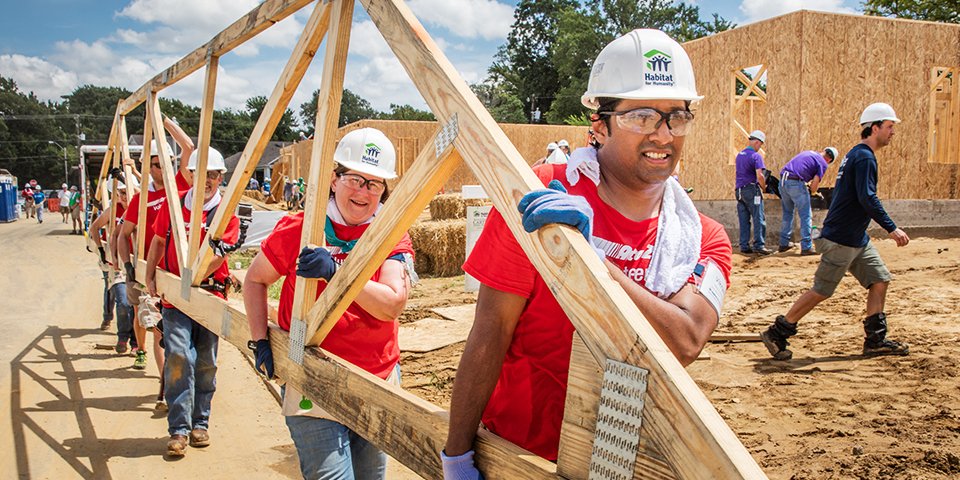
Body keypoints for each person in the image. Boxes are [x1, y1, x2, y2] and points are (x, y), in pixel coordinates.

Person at [442, 29, 732, 477]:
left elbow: (687, 340)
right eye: (641, 116)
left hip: (628, 456)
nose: (663, 135)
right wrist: (457, 454)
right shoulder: (542, 193)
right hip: (523, 451)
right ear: (599, 126)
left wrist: (592, 261)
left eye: (677, 116)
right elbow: (492, 327)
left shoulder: (700, 237)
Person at [244, 128, 415, 480]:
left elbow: (392, 304)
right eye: (355, 179)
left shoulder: (389, 232)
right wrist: (261, 339)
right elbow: (255, 279)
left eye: (375, 183)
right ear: (334, 180)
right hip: (311, 376)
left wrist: (335, 271)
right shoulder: (301, 228)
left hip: (376, 376)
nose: (364, 192)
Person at [760, 103, 911, 361]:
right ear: (874, 128)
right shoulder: (863, 157)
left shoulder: (856, 154)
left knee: (879, 279)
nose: (892, 132)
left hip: (857, 239)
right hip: (841, 239)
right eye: (889, 127)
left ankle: (875, 340)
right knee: (822, 290)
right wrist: (891, 228)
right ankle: (777, 332)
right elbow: (867, 197)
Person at [145, 147, 239, 457]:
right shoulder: (174, 206)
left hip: (209, 296)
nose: (208, 181)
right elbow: (159, 240)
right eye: (202, 174)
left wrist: (193, 281)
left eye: (213, 175)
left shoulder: (225, 212)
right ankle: (179, 430)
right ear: (191, 175)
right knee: (178, 356)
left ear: (220, 177)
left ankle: (201, 423)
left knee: (205, 361)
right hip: (175, 298)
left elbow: (217, 258)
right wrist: (150, 277)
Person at [116, 138, 192, 374]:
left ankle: (171, 381)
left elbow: (188, 147)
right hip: (147, 268)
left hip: (174, 269)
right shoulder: (140, 199)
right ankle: (146, 356)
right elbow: (122, 234)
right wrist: (127, 264)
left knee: (170, 327)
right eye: (157, 165)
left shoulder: (179, 187)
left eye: (167, 163)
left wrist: (165, 118)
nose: (163, 169)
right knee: (145, 317)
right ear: (149, 168)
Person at [88, 179, 136, 351]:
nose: (124, 197)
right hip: (116, 264)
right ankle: (121, 334)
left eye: (126, 192)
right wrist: (101, 250)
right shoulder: (112, 211)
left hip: (134, 263)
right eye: (120, 193)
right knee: (120, 300)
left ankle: (136, 343)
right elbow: (94, 228)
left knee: (135, 305)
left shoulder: (137, 207)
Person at [778, 147, 838, 255]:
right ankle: (806, 246)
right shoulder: (823, 163)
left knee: (788, 213)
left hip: (783, 182)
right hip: (796, 183)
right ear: (830, 160)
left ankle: (784, 243)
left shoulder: (809, 153)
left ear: (824, 151)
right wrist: (813, 192)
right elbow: (814, 185)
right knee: (806, 215)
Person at [734, 130, 771, 255]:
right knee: (758, 217)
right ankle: (759, 245)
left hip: (739, 191)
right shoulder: (756, 156)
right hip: (751, 190)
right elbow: (760, 175)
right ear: (756, 142)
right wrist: (764, 188)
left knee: (744, 219)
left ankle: (744, 245)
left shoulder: (740, 155)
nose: (760, 147)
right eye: (760, 144)